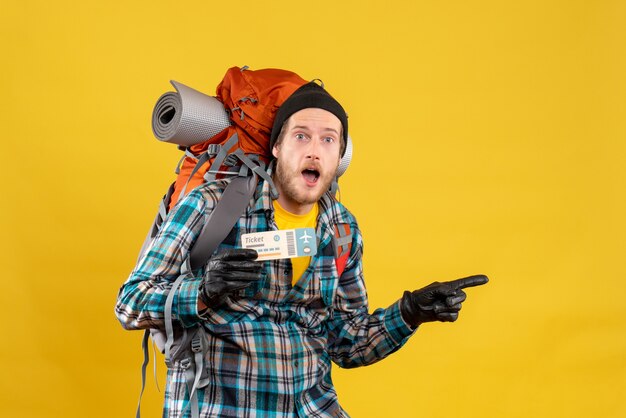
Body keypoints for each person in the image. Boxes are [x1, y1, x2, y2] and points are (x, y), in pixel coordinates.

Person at [115, 81, 488, 418]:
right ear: (277, 146)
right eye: (301, 136)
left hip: (311, 408)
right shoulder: (211, 205)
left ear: (339, 155)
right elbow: (129, 304)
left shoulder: (341, 228)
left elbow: (347, 344)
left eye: (328, 139)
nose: (314, 151)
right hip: (222, 406)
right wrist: (201, 292)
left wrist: (408, 313)